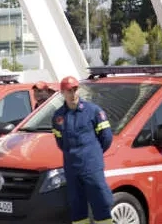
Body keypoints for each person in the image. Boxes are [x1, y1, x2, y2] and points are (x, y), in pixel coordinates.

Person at [51, 76, 114, 224]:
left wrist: (93, 154)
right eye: (69, 91)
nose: (73, 94)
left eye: (75, 90)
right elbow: (61, 142)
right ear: (62, 93)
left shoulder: (93, 111)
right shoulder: (58, 116)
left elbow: (106, 138)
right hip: (72, 168)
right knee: (77, 208)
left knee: (101, 205)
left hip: (91, 166)